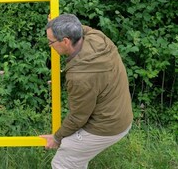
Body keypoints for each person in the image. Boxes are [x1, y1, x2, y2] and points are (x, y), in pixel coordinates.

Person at [40, 14, 133, 169]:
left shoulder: (80, 77)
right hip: (120, 115)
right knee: (75, 159)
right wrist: (55, 25)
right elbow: (79, 28)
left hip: (106, 126)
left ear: (65, 41)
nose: (50, 45)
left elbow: (78, 117)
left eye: (51, 42)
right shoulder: (98, 38)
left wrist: (56, 138)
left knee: (63, 162)